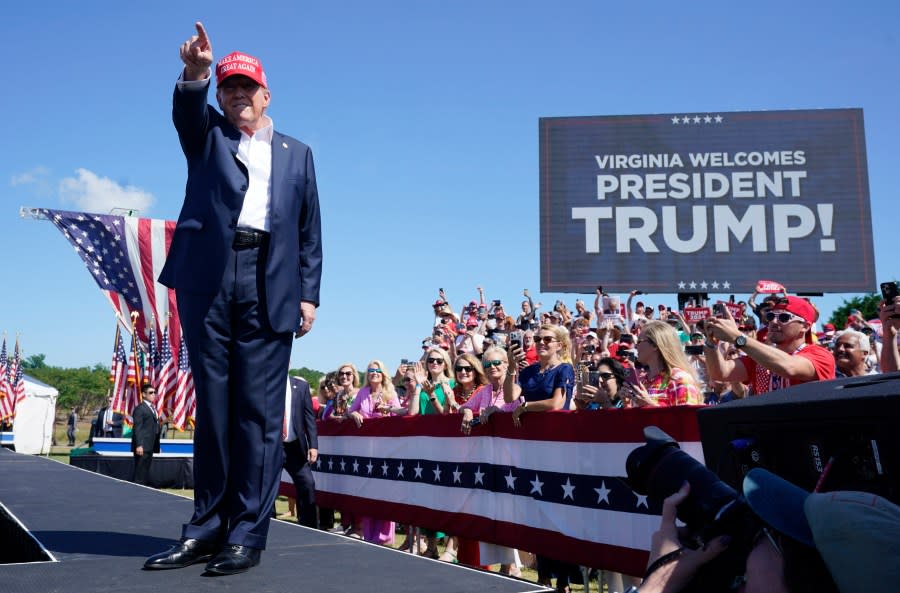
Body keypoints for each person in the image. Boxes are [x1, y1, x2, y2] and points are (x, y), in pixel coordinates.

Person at [149, 22, 322, 575]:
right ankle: (205, 529)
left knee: (258, 416)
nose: (237, 95)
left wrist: (310, 294)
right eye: (228, 87)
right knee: (214, 410)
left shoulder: (299, 154)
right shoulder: (207, 136)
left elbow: (309, 229)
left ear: (266, 94)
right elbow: (185, 112)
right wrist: (197, 72)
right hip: (209, 278)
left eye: (246, 87)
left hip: (272, 281)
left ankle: (247, 534)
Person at [704, 296, 835, 396]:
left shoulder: (820, 355)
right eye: (771, 316)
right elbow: (721, 373)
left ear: (805, 326)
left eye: (784, 317)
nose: (773, 321)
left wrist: (737, 338)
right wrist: (711, 342)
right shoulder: (761, 357)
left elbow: (788, 366)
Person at [627, 321, 701, 407]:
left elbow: (686, 418)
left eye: (639, 341)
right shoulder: (644, 381)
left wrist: (649, 404)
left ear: (655, 345)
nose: (636, 346)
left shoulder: (679, 379)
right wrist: (627, 403)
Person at [281, 376, 318, 529]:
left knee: (307, 483)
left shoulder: (301, 386)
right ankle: (268, 522)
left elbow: (309, 417)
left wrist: (313, 445)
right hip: (272, 446)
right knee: (268, 487)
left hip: (295, 446)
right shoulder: (266, 382)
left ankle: (308, 527)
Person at [131, 384, 161, 486]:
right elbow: (137, 428)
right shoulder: (140, 409)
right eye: (151, 393)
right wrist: (139, 445)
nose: (153, 395)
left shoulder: (153, 408)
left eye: (154, 392)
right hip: (142, 446)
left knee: (145, 471)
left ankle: (142, 491)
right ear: (144, 394)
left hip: (150, 445)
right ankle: (136, 491)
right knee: (140, 472)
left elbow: (153, 427)